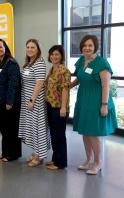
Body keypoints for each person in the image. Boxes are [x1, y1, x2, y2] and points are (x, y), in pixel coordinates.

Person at [71, 35, 118, 175]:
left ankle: (98, 162)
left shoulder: (101, 63)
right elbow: (79, 78)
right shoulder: (81, 60)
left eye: (90, 45)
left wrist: (104, 105)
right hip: (83, 99)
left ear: (95, 47)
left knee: (94, 134)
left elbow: (106, 86)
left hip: (97, 101)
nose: (87, 48)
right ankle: (88, 159)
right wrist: (68, 86)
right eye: (85, 45)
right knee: (85, 132)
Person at [18, 39, 50, 167]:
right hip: (27, 100)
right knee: (32, 127)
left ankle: (40, 155)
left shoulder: (40, 63)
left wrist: (32, 100)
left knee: (38, 128)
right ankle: (36, 151)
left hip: (35, 102)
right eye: (28, 47)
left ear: (38, 49)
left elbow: (39, 83)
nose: (30, 49)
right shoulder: (29, 63)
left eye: (33, 47)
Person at [0, 38, 22, 162]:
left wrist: (10, 102)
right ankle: (5, 152)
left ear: (5, 48)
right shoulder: (0, 63)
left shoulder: (11, 63)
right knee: (4, 129)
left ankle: (13, 154)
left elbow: (13, 84)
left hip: (10, 102)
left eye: (1, 47)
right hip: (0, 101)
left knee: (11, 129)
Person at [44, 45, 71, 170]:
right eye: (52, 54)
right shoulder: (52, 69)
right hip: (50, 105)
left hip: (59, 107)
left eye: (57, 54)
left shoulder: (63, 70)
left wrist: (63, 107)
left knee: (59, 135)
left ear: (61, 56)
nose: (54, 56)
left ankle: (61, 163)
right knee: (54, 134)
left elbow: (65, 89)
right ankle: (55, 159)